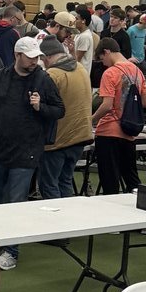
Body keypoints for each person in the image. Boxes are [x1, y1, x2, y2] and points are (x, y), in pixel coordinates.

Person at [0, 36, 62, 264]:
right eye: (30, 57)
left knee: (16, 203)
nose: (35, 61)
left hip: (27, 150)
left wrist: (39, 106)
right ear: (17, 55)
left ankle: (11, 251)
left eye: (37, 57)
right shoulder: (0, 76)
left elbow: (59, 110)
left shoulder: (43, 80)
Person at [37, 33, 92, 199]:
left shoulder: (53, 75)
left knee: (49, 184)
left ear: (47, 57)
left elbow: (43, 107)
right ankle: (68, 221)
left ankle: (56, 222)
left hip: (57, 140)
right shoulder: (80, 68)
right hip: (80, 137)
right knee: (65, 181)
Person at [92, 34, 146, 196]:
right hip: (129, 131)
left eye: (102, 58)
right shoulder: (137, 72)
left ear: (107, 52)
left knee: (110, 180)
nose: (103, 63)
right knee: (132, 179)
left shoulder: (110, 73)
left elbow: (107, 105)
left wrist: (92, 120)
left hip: (109, 131)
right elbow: (145, 103)